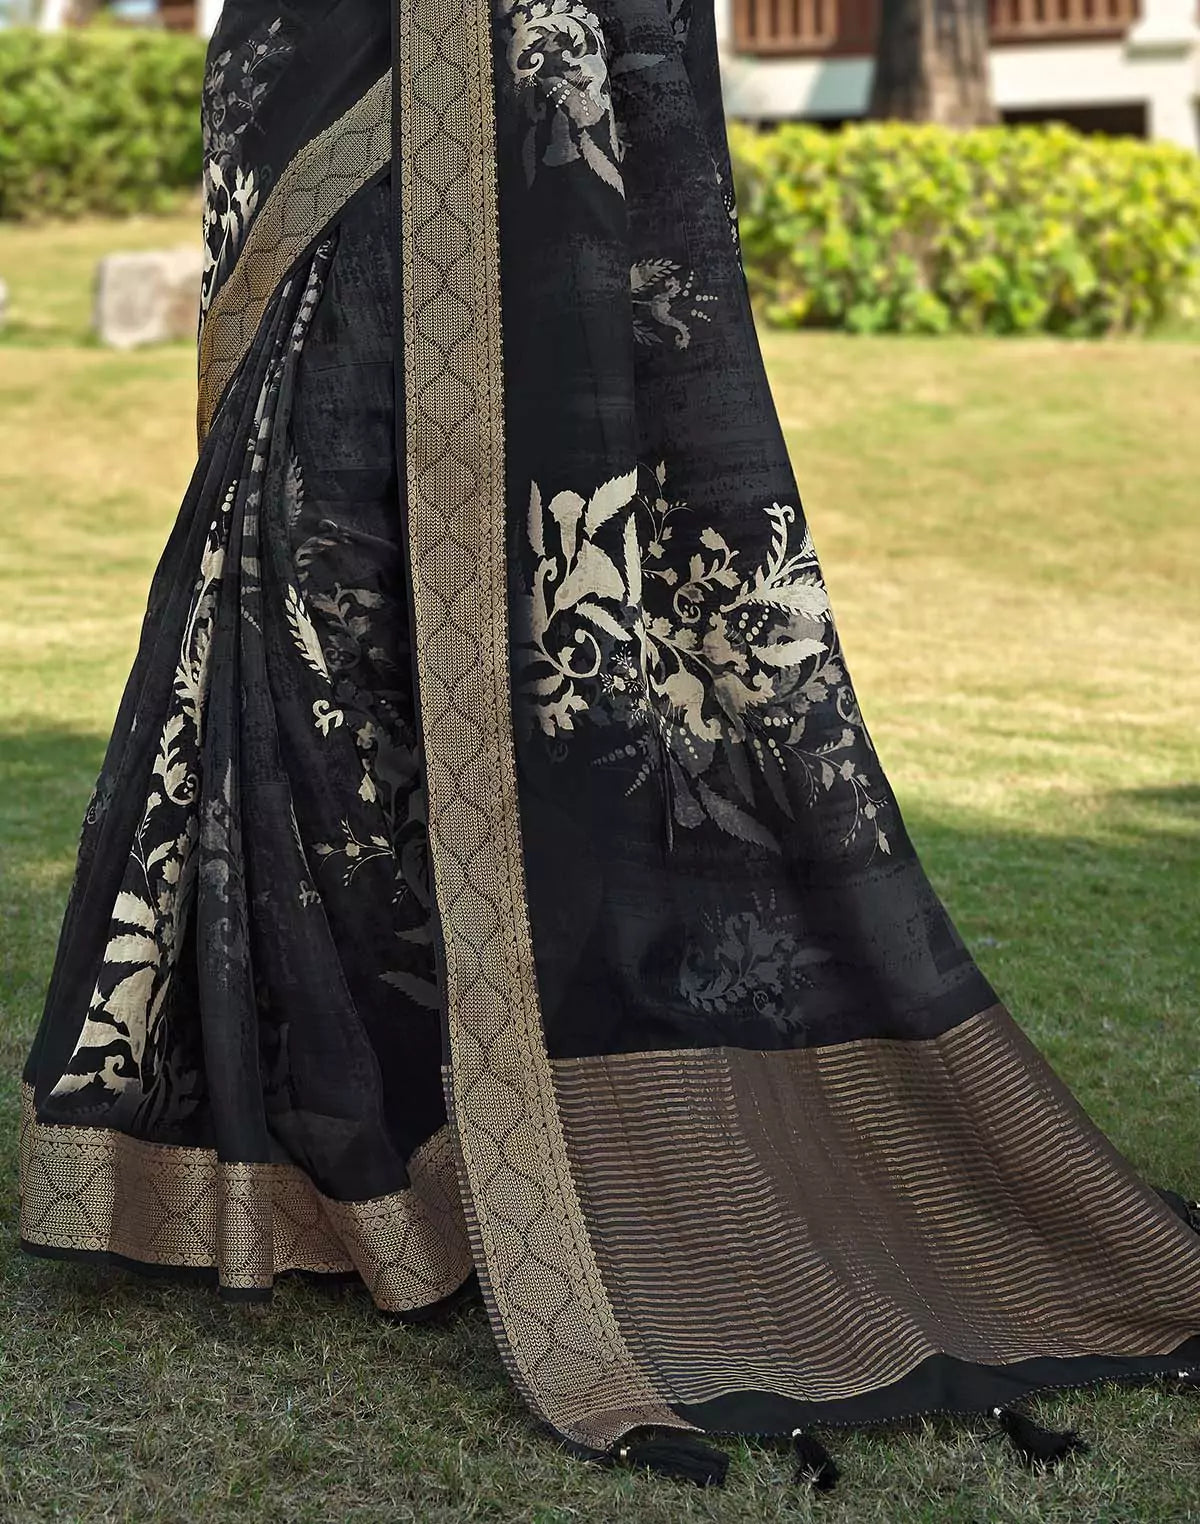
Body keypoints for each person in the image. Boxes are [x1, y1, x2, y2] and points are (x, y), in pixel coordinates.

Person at [18, 0, 1200, 1489]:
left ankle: (488, 1139)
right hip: (330, 71)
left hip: (518, 75)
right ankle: (341, 1149)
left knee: (484, 595)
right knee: (303, 566)